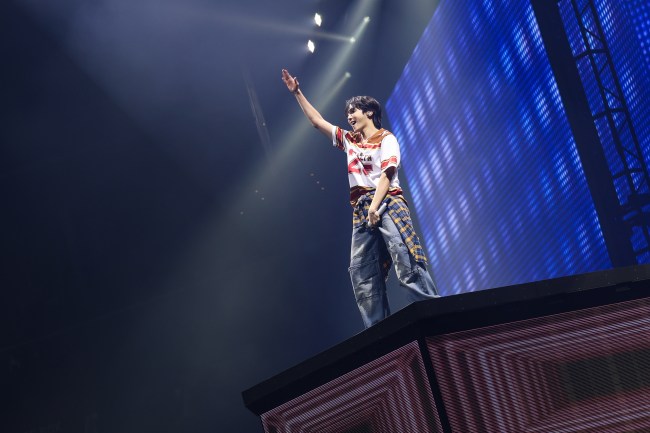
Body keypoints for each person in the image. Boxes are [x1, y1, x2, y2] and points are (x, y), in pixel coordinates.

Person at [281, 68, 439, 328]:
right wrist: (297, 93)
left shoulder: (386, 139)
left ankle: (434, 313)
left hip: (387, 202)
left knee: (404, 258)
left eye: (353, 111)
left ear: (369, 112)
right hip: (362, 210)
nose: (349, 117)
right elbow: (317, 122)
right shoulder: (350, 141)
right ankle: (379, 331)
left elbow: (388, 174)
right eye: (347, 114)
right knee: (362, 271)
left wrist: (375, 208)